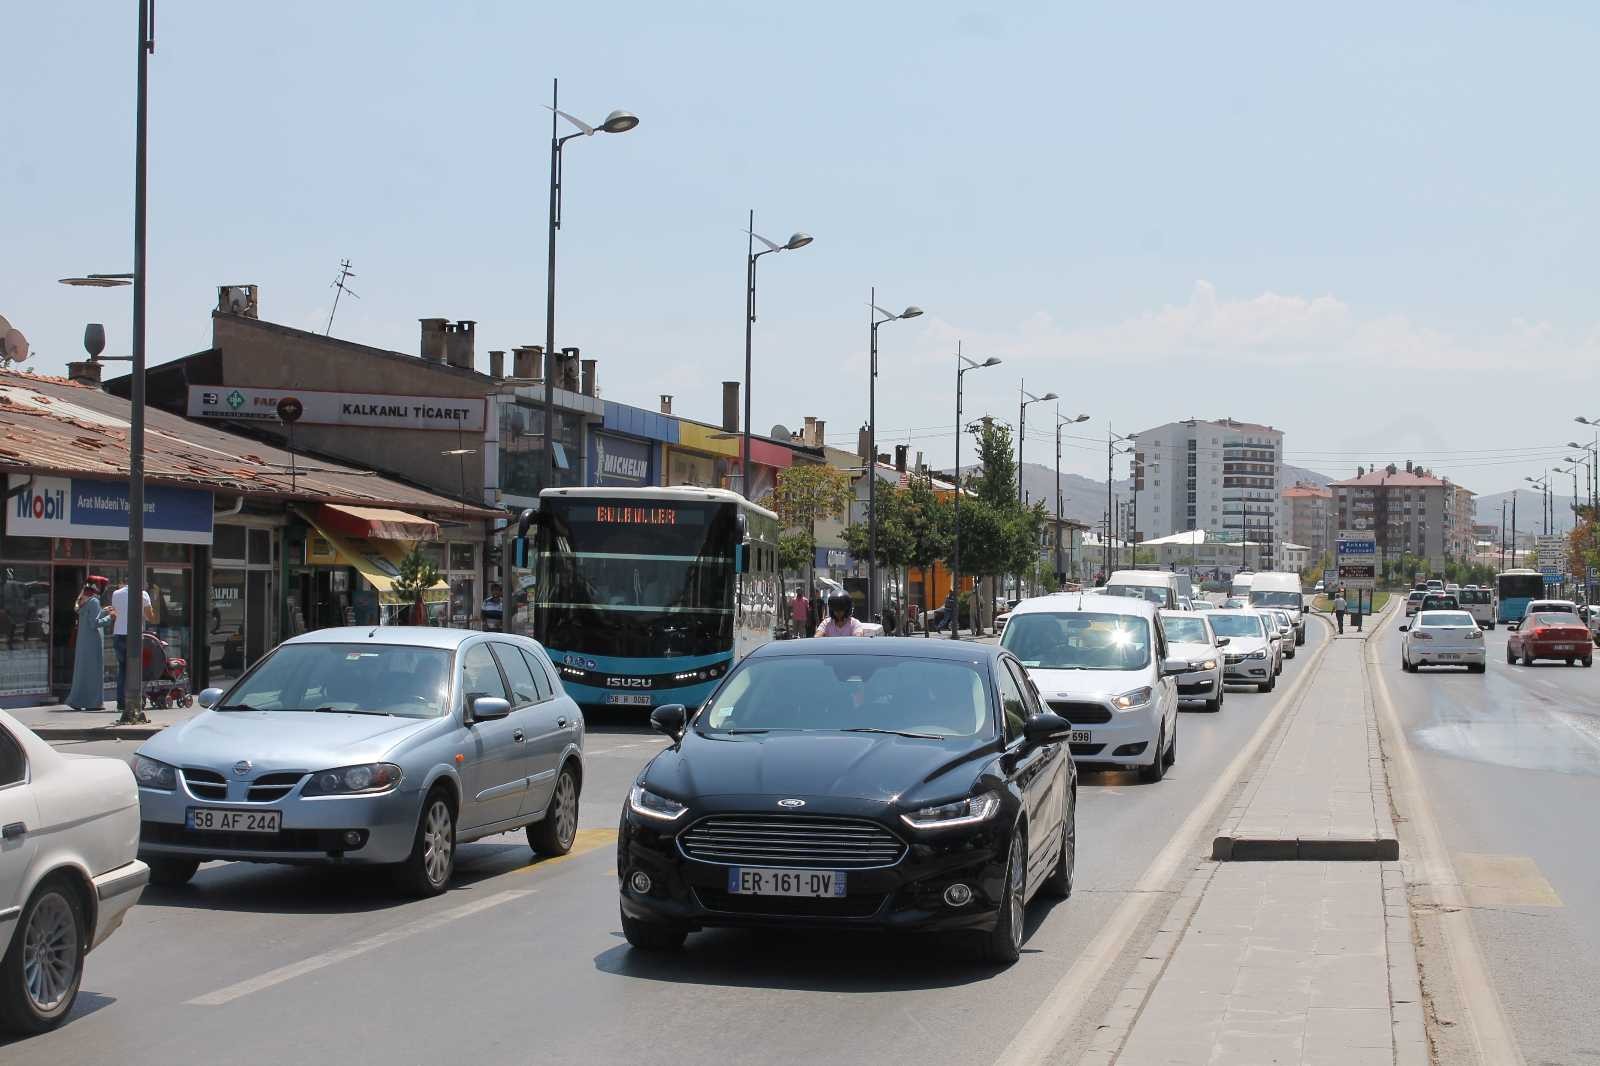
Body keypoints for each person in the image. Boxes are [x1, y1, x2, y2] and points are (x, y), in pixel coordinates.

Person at [108, 580, 156, 712]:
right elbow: (150, 617)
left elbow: (115, 612)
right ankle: (134, 700)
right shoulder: (143, 594)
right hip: (134, 636)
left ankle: (121, 702)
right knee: (135, 668)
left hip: (118, 634)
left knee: (123, 669)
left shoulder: (116, 593)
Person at [64, 581, 111, 711]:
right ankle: (94, 703)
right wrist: (109, 618)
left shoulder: (85, 602)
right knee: (94, 673)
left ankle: (77, 700)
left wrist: (103, 612)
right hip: (93, 642)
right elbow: (94, 623)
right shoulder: (94, 601)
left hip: (83, 642)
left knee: (82, 672)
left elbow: (89, 617)